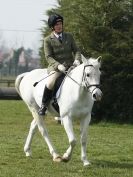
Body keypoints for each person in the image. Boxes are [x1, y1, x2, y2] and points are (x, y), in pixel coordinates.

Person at [38, 13, 81, 116]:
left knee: (83, 78)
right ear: (52, 26)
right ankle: (43, 105)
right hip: (56, 68)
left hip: (71, 66)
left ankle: (85, 106)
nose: (59, 26)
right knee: (50, 82)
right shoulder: (47, 40)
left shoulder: (69, 36)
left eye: (60, 23)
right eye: (57, 24)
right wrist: (58, 65)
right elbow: (48, 57)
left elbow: (76, 50)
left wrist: (77, 60)